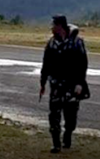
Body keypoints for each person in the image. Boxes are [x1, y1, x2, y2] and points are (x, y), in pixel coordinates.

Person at [39, 15, 89, 153]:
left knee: (71, 116)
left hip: (72, 86)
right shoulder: (51, 43)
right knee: (54, 115)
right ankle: (56, 143)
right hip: (55, 85)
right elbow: (46, 63)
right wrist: (42, 83)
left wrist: (80, 83)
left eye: (53, 25)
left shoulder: (77, 42)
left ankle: (68, 134)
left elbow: (82, 64)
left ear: (60, 26)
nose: (51, 28)